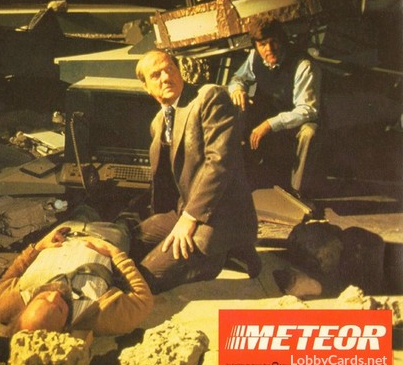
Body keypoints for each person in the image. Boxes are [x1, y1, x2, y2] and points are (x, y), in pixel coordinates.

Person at [133, 49, 260, 294]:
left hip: (220, 218)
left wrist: (189, 219)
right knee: (130, 242)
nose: (166, 77)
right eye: (156, 75)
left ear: (179, 71)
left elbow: (220, 163)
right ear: (146, 87)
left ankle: (216, 258)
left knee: (147, 277)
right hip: (185, 211)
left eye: (169, 69)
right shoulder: (158, 123)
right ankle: (234, 252)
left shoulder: (209, 97)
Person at [0, 216, 153, 342]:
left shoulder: (6, 305)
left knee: (88, 203)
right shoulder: (97, 317)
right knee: (124, 216)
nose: (55, 295)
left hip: (69, 227)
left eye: (42, 298)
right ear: (65, 328)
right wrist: (114, 253)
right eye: (60, 308)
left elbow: (7, 279)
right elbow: (143, 301)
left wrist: (37, 247)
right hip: (108, 235)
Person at [228, 17, 322, 199]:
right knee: (237, 104)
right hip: (267, 118)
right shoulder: (255, 57)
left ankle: (297, 192)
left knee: (309, 132)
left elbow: (308, 110)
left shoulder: (303, 65)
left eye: (273, 42)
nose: (268, 49)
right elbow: (238, 78)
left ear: (282, 40)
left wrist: (270, 124)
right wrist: (238, 89)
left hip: (296, 123)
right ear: (256, 46)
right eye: (263, 44)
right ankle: (242, 182)